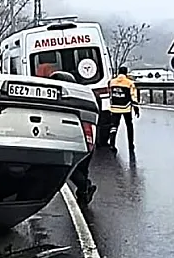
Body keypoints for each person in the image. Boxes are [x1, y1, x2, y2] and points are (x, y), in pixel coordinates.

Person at [49, 70, 97, 206]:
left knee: (70, 168)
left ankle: (85, 188)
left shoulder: (56, 100)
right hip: (86, 138)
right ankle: (84, 194)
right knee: (81, 169)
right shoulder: (82, 97)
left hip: (67, 138)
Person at [108, 66, 140, 152]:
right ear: (126, 73)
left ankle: (112, 143)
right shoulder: (129, 83)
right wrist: (136, 108)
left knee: (114, 126)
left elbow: (110, 94)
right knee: (129, 125)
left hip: (114, 107)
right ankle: (131, 144)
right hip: (126, 108)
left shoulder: (112, 82)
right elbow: (133, 96)